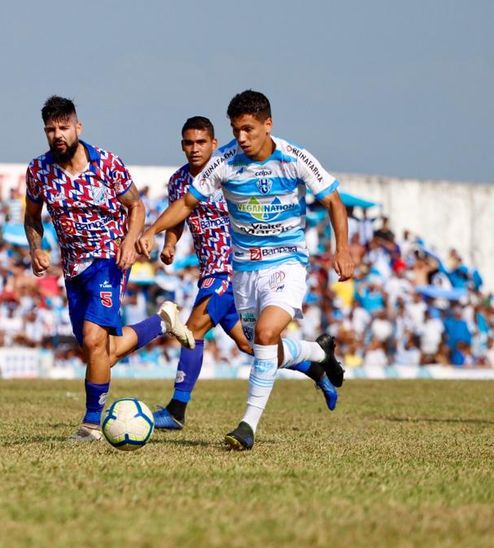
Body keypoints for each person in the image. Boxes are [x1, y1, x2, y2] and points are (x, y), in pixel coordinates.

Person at [138, 91, 354, 449]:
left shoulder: (294, 158)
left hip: (286, 263)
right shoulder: (224, 163)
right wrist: (154, 231)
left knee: (262, 335)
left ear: (268, 124)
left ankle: (244, 426)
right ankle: (317, 355)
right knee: (257, 346)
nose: (243, 138)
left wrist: (342, 249)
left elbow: (332, 200)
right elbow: (188, 203)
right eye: (237, 130)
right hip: (244, 272)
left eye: (249, 129)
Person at [24, 96, 193, 441]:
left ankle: (90, 425)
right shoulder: (38, 171)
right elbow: (32, 216)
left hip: (109, 259)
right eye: (50, 129)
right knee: (102, 351)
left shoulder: (107, 164)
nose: (58, 135)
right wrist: (36, 247)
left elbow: (137, 207)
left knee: (92, 339)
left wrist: (130, 242)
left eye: (63, 128)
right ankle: (161, 322)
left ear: (78, 127)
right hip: (73, 268)